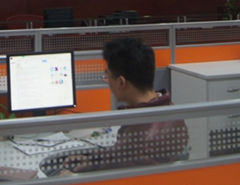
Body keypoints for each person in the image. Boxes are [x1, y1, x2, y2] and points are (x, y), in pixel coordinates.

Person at [63, 37, 189, 173]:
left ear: (121, 82)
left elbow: (122, 183)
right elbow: (120, 158)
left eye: (108, 76)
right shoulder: (170, 111)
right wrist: (93, 161)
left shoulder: (139, 141)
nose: (107, 82)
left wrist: (73, 182)